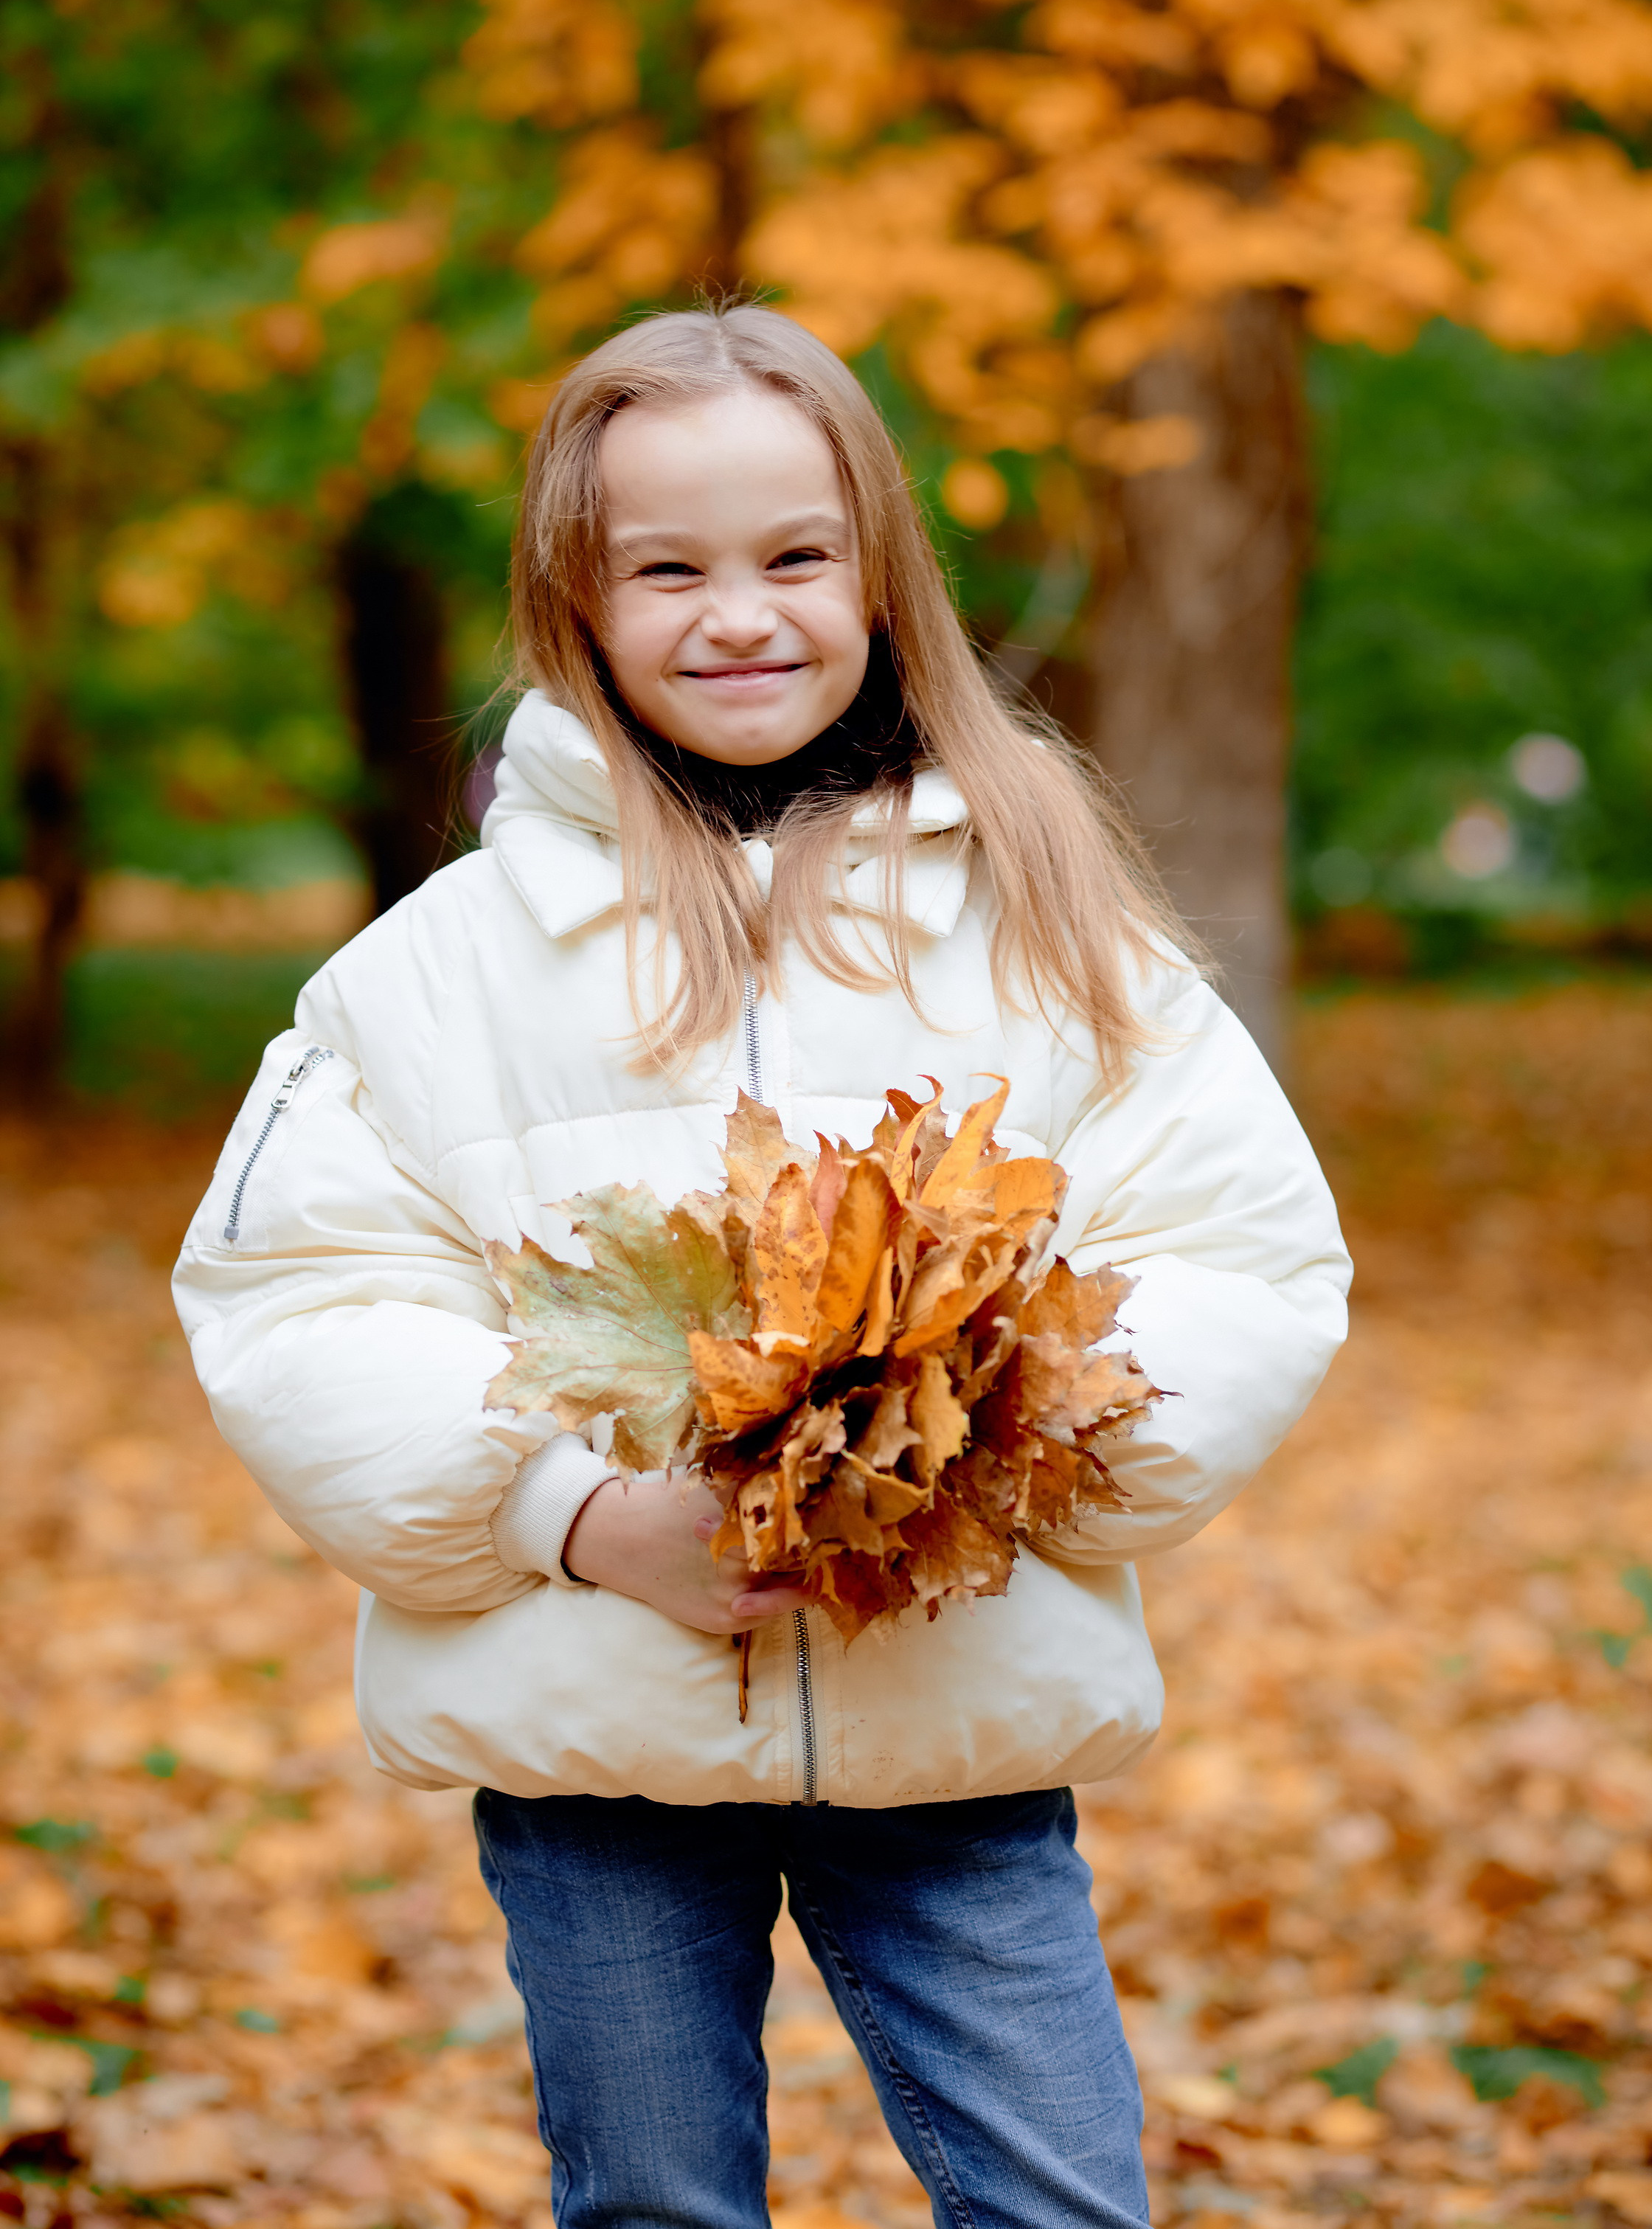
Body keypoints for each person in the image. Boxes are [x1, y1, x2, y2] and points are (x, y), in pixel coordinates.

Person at [174, 304, 1350, 2229]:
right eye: (670, 570)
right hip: (600, 1750)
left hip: (958, 1720)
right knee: (655, 2203)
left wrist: (1002, 1447)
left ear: (880, 573)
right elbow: (301, 1299)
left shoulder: (1049, 922)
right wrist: (572, 1513)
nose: (741, 616)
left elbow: (1239, 1249)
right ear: (576, 596)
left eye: (797, 556)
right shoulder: (438, 971)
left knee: (1060, 2200)